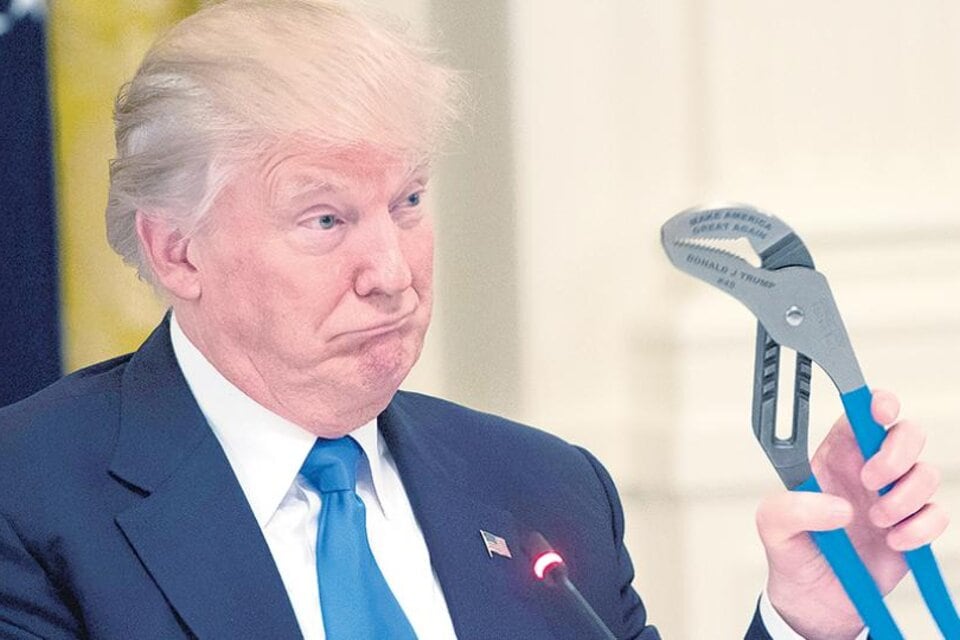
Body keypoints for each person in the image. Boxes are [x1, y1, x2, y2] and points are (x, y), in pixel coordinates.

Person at [0, 1, 948, 638]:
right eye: (326, 220)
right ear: (177, 251)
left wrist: (807, 622)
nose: (392, 273)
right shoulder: (30, 501)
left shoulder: (544, 486)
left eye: (408, 202)